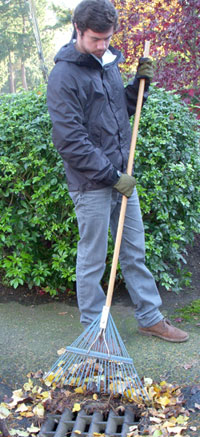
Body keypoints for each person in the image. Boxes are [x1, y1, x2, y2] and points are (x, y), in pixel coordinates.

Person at [47, 0, 189, 342]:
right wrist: (113, 177)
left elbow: (118, 111)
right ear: (78, 30)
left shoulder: (108, 63)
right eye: (96, 38)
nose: (102, 45)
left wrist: (140, 84)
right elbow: (71, 142)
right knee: (93, 261)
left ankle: (150, 317)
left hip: (121, 177)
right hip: (92, 183)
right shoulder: (63, 76)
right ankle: (96, 331)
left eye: (108, 38)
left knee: (134, 251)